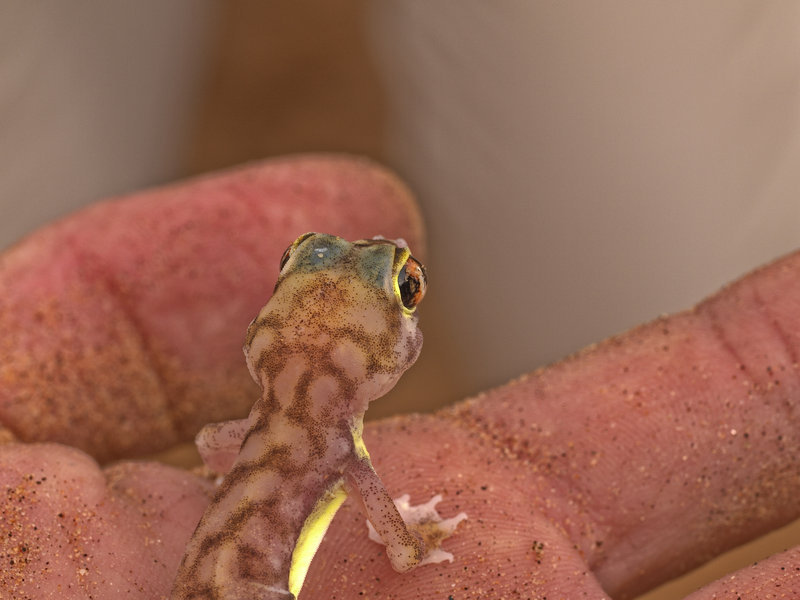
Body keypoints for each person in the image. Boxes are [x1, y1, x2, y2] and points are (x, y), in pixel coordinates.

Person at [0, 156, 796, 599]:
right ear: (385, 356)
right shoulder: (340, 456)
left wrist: (227, 484)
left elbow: (215, 445)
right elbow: (402, 549)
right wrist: (420, 535)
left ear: (266, 338)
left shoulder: (248, 435)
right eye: (407, 291)